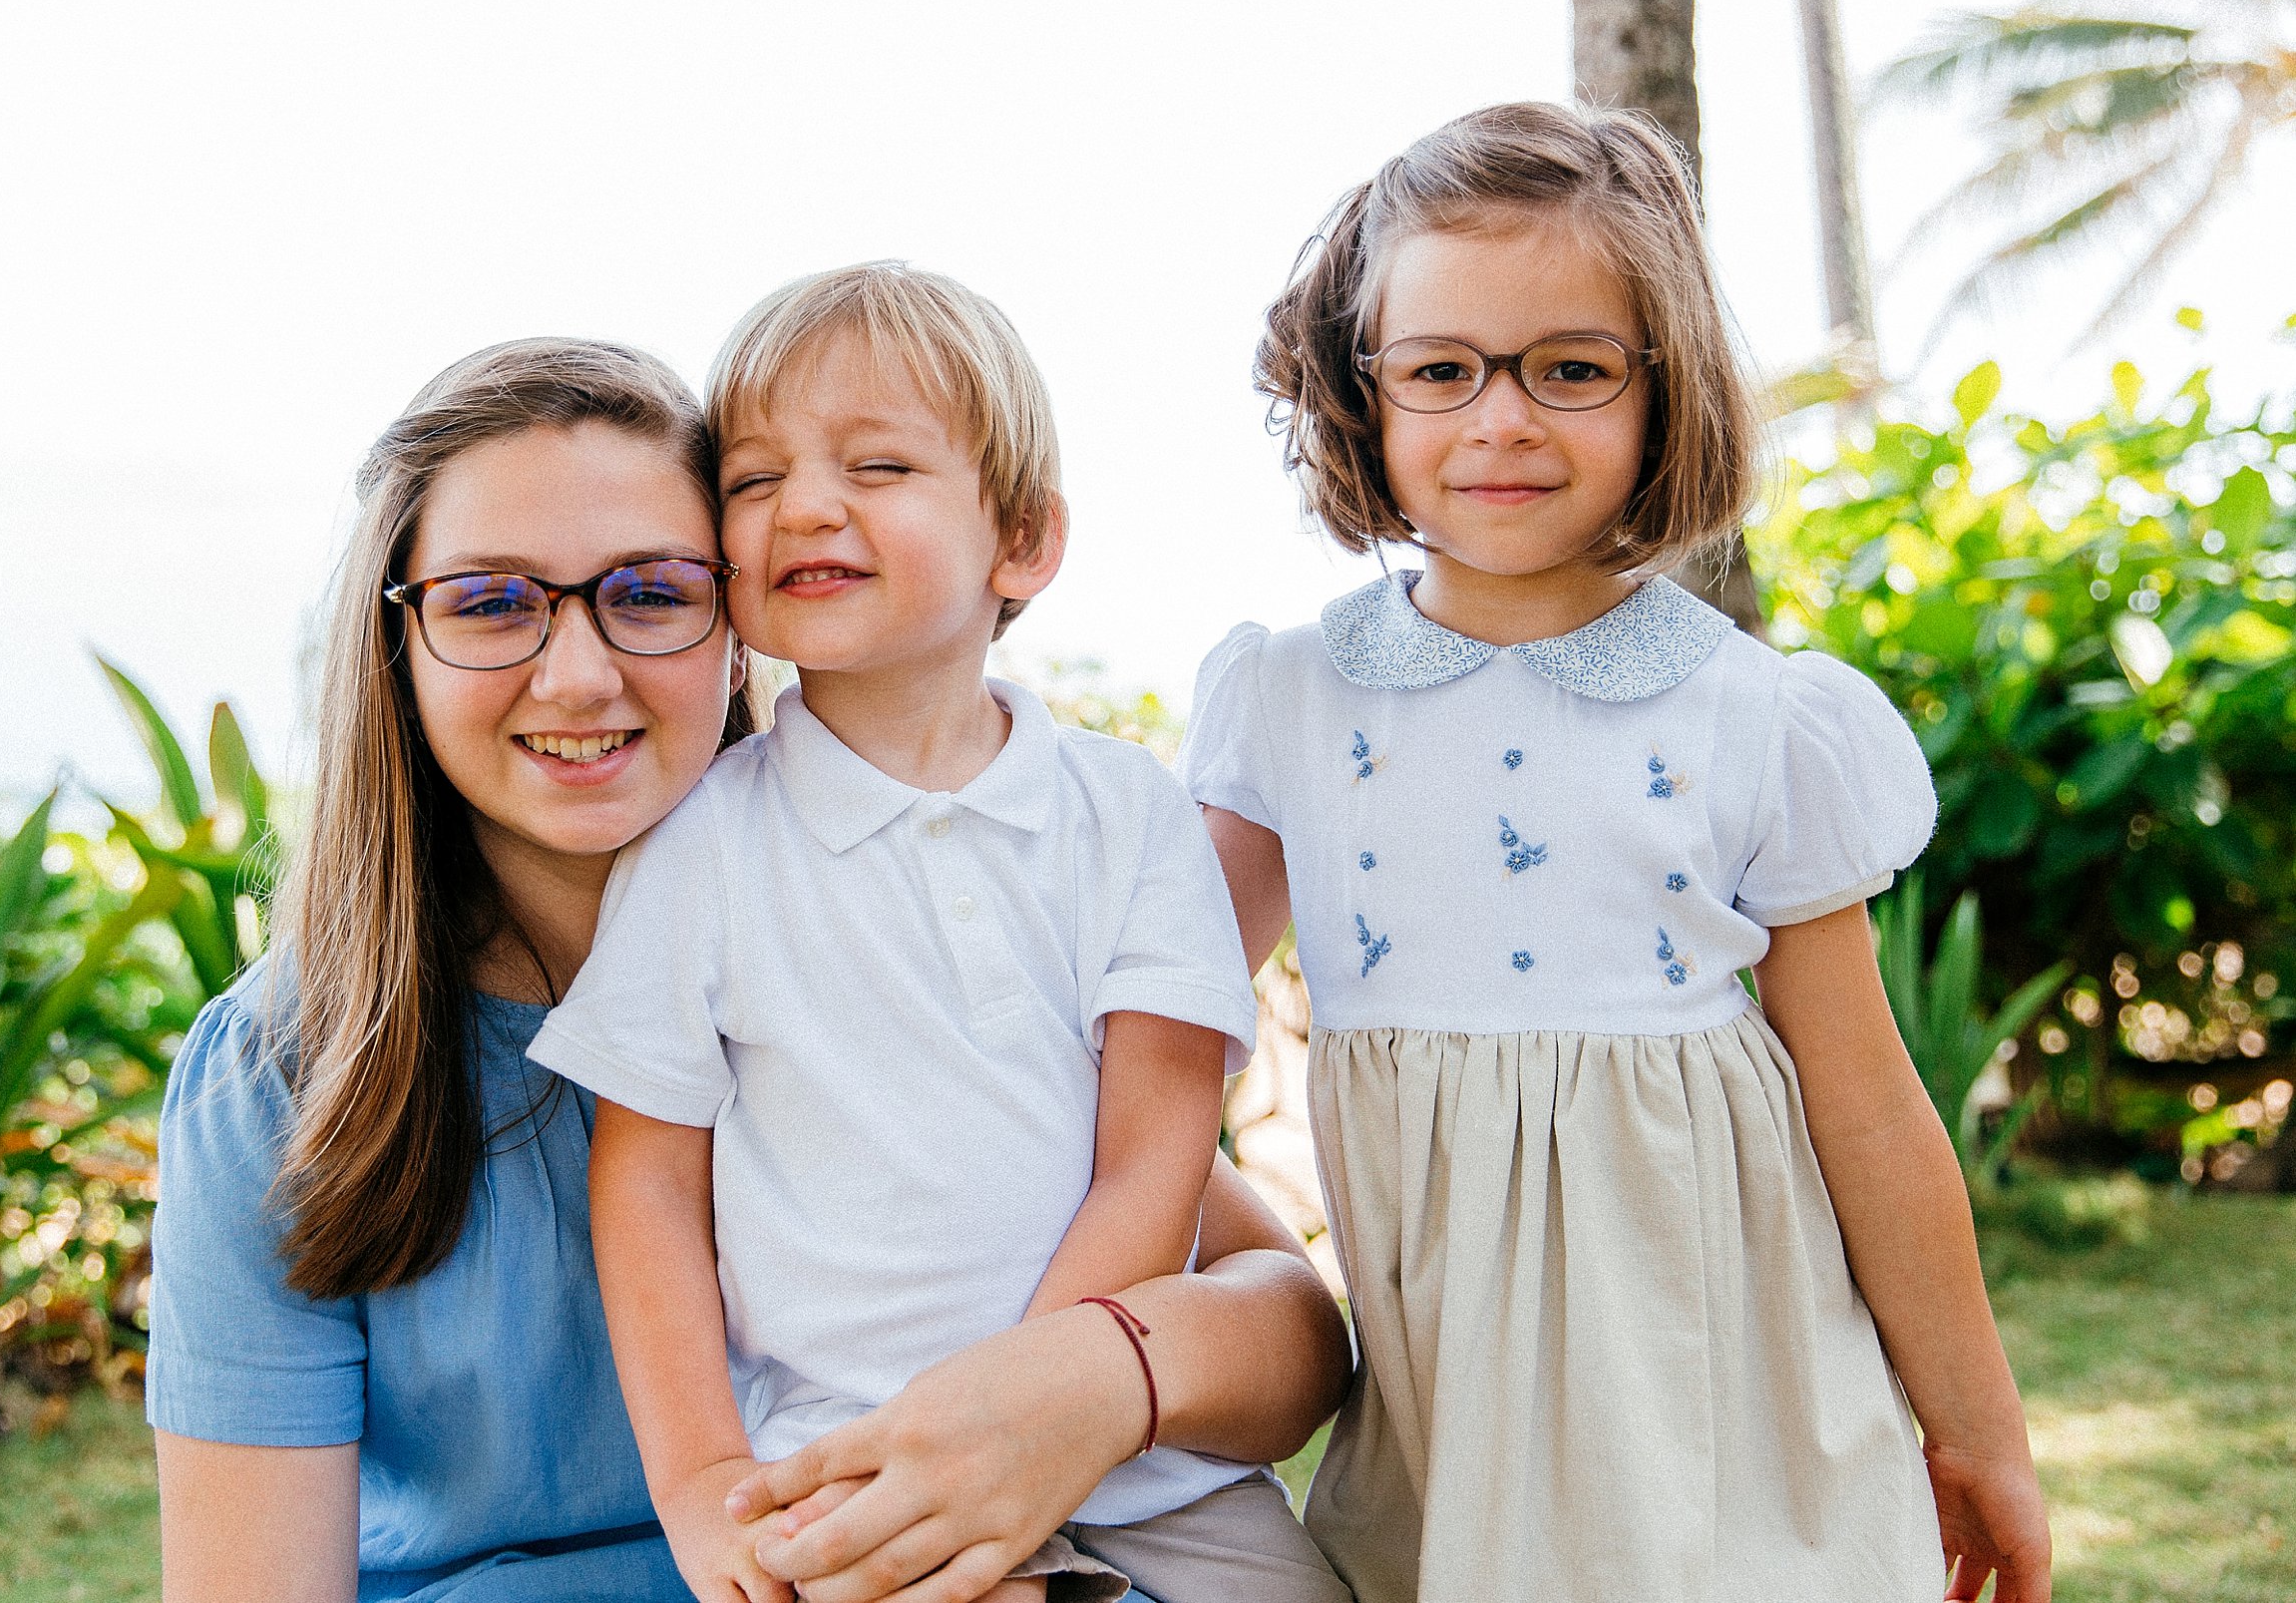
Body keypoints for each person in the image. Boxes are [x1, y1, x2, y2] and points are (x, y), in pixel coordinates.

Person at [147, 336, 1352, 1603]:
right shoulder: (287, 1070)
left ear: (740, 613)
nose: (577, 672)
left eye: (653, 590)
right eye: (492, 602)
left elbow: (1289, 1325)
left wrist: (1091, 1381)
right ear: (398, 639)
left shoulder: (908, 940)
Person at [1179, 103, 2054, 1603]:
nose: (1501, 417)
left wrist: (1982, 1431)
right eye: (1441, 369)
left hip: (1740, 1420)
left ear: (1666, 392)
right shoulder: (1287, 703)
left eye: (1571, 368)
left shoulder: (1751, 718)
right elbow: (1157, 1051)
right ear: (1359, 391)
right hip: (1445, 1439)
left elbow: (1871, 1107)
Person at [525, 265, 1354, 1603]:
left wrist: (1031, 1414)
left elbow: (1156, 1148)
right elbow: (648, 1194)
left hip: (1152, 1460)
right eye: (752, 479)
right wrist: (698, 1485)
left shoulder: (1126, 812)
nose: (804, 503)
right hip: (855, 1476)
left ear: (1021, 538)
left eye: (879, 463)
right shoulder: (700, 850)